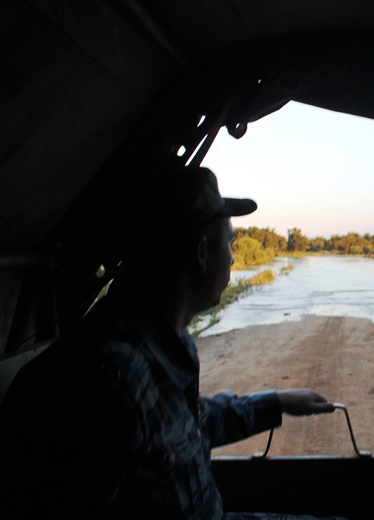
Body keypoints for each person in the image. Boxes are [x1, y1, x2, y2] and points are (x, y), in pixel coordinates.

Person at [0, 166, 342, 519]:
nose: (234, 258)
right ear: (201, 253)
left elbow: (184, 426)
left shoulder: (161, 339)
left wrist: (275, 402)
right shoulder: (108, 381)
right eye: (230, 243)